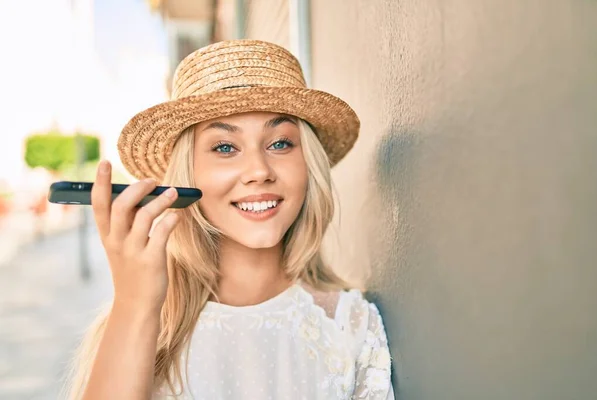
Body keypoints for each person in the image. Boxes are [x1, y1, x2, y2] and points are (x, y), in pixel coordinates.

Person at [65, 39, 394, 400]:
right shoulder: (142, 326)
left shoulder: (352, 327)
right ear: (187, 175)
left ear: (308, 164)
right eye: (225, 147)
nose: (258, 170)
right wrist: (135, 303)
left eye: (280, 143)